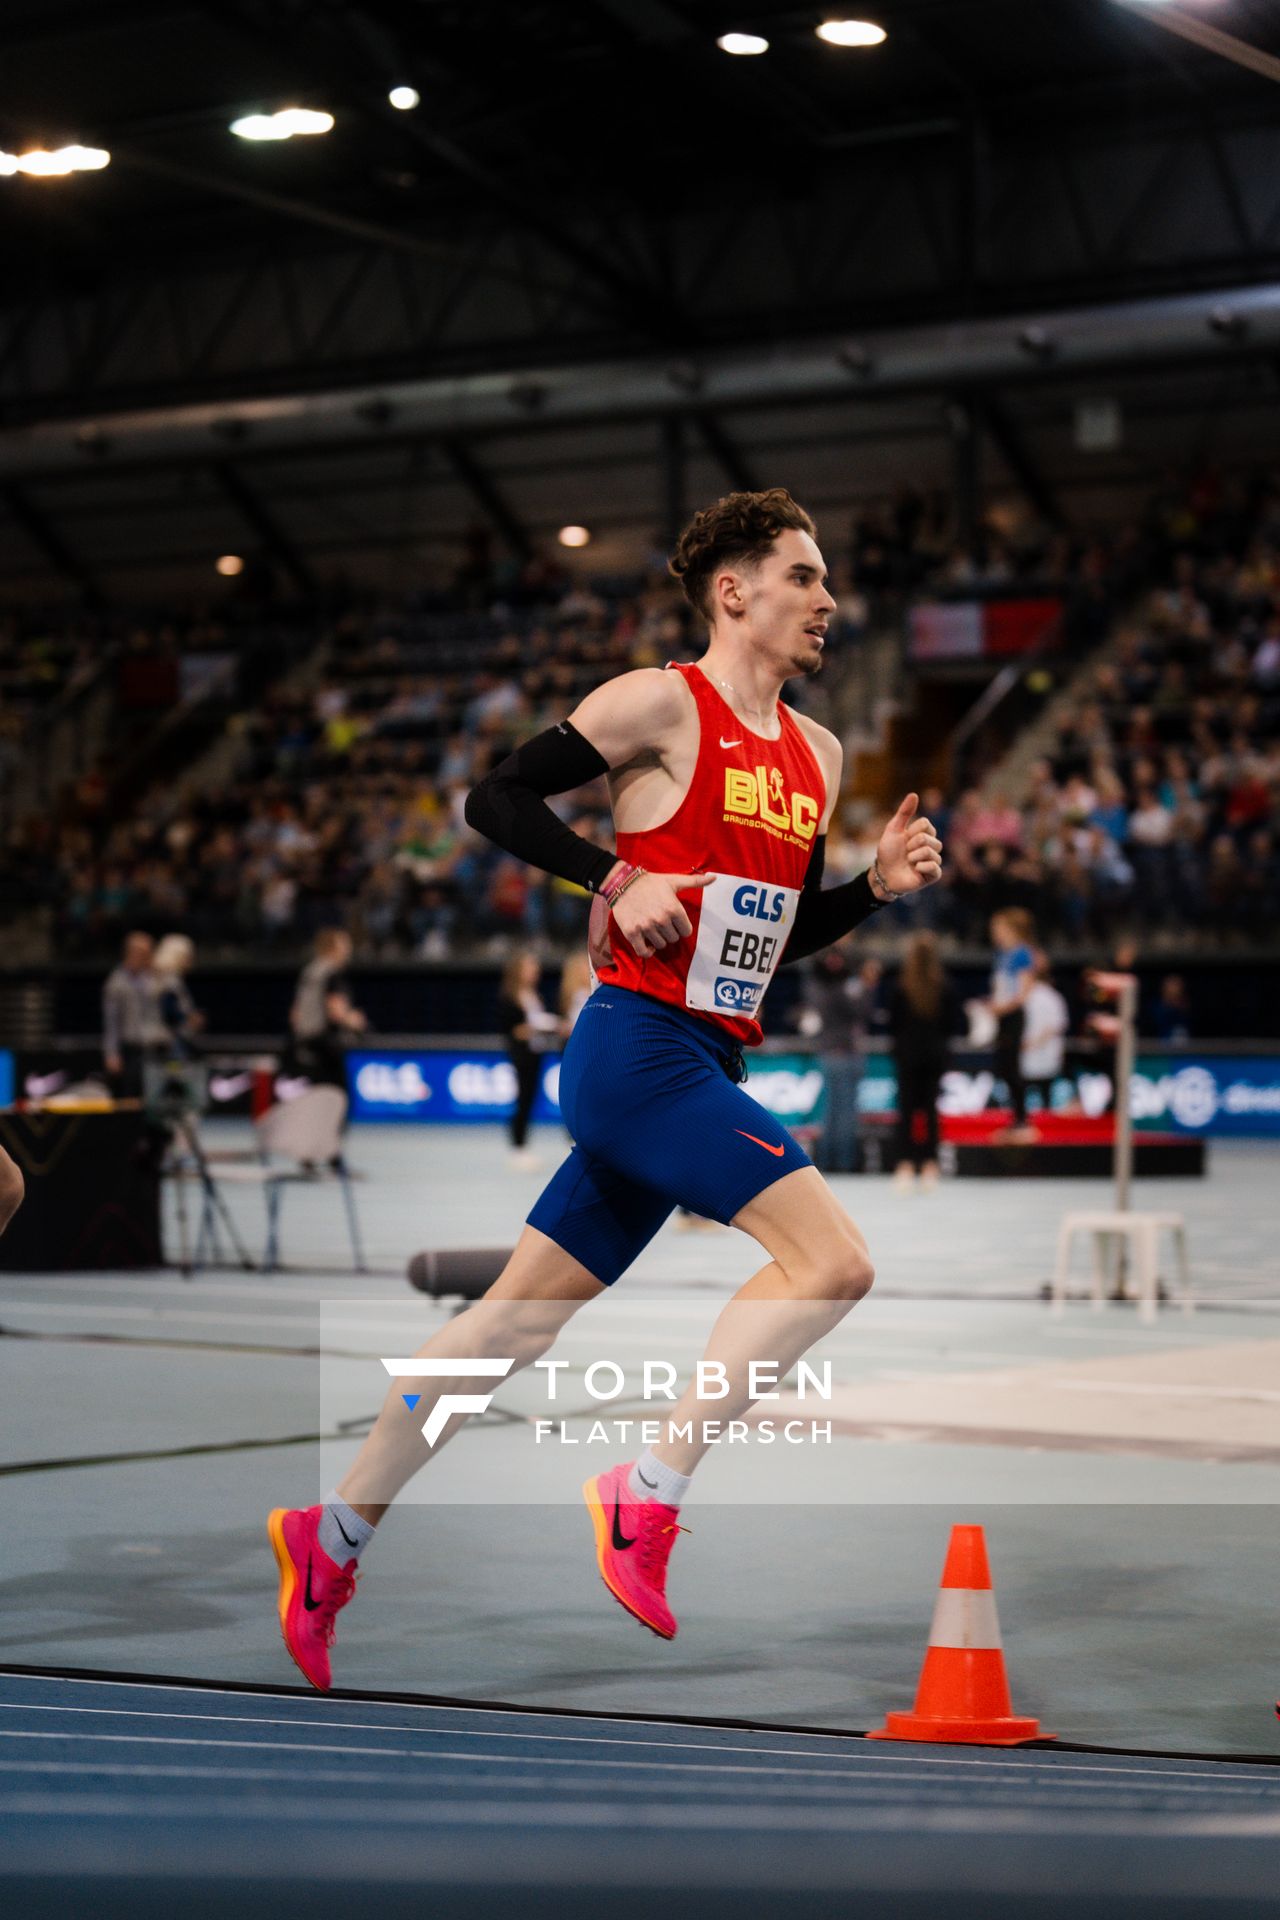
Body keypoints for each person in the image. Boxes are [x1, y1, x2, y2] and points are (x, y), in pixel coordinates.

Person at [267, 487, 942, 1690]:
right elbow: (495, 797)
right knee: (831, 1261)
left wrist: (872, 892)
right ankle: (646, 1492)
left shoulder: (818, 756)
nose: (827, 601)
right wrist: (612, 872)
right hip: (634, 1048)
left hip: (707, 1053)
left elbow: (772, 938)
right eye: (803, 576)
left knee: (509, 1325)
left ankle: (332, 1534)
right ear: (733, 591)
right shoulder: (655, 704)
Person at [888, 931, 958, 1190]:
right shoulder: (945, 986)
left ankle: (905, 1165)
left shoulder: (901, 987)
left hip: (907, 1056)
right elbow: (952, 1025)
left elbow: (893, 1025)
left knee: (906, 1112)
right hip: (934, 1057)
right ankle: (930, 1165)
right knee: (929, 1111)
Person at [800, 945, 879, 1174]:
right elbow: (862, 1011)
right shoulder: (844, 987)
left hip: (837, 1053)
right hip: (842, 1053)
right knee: (840, 1112)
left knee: (836, 1112)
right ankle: (841, 1164)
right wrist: (868, 986)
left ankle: (830, 1164)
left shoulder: (820, 987)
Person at [497, 949, 559, 1170]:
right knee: (522, 1100)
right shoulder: (510, 996)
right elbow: (512, 1029)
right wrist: (535, 1027)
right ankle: (517, 1148)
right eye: (530, 967)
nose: (535, 972)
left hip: (535, 1054)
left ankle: (522, 1146)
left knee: (529, 1099)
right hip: (521, 1056)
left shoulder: (534, 995)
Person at [286, 928, 367, 1090]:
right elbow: (336, 1012)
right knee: (338, 1099)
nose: (348, 950)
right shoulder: (332, 973)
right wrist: (355, 1021)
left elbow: (295, 1015)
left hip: (305, 1045)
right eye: (344, 945)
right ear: (333, 948)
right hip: (327, 1046)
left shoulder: (309, 973)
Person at [988, 907, 1036, 1141]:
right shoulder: (1002, 955)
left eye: (997, 928)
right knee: (1004, 1067)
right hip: (1002, 1015)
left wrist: (1002, 1008)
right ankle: (1015, 1118)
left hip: (1013, 1017)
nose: (994, 933)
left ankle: (1022, 1119)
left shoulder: (1022, 954)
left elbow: (1023, 992)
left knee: (1012, 1067)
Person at [101, 931, 166, 1096]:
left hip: (155, 1049)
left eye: (149, 952)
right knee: (131, 1100)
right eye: (143, 953)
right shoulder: (116, 982)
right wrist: (112, 1053)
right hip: (131, 1051)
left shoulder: (154, 979)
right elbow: (111, 1022)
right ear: (130, 953)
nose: (147, 957)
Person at [1019, 951, 1070, 1116]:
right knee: (1030, 1100)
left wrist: (1033, 1043)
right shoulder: (1023, 998)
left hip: (1043, 1059)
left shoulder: (1051, 997)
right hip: (1029, 1060)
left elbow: (1056, 1026)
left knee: (1044, 1100)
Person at [152, 934, 203, 1061]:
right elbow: (168, 1011)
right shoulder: (170, 980)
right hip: (172, 1040)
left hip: (171, 1039)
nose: (190, 960)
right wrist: (189, 1018)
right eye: (187, 956)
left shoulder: (166, 978)